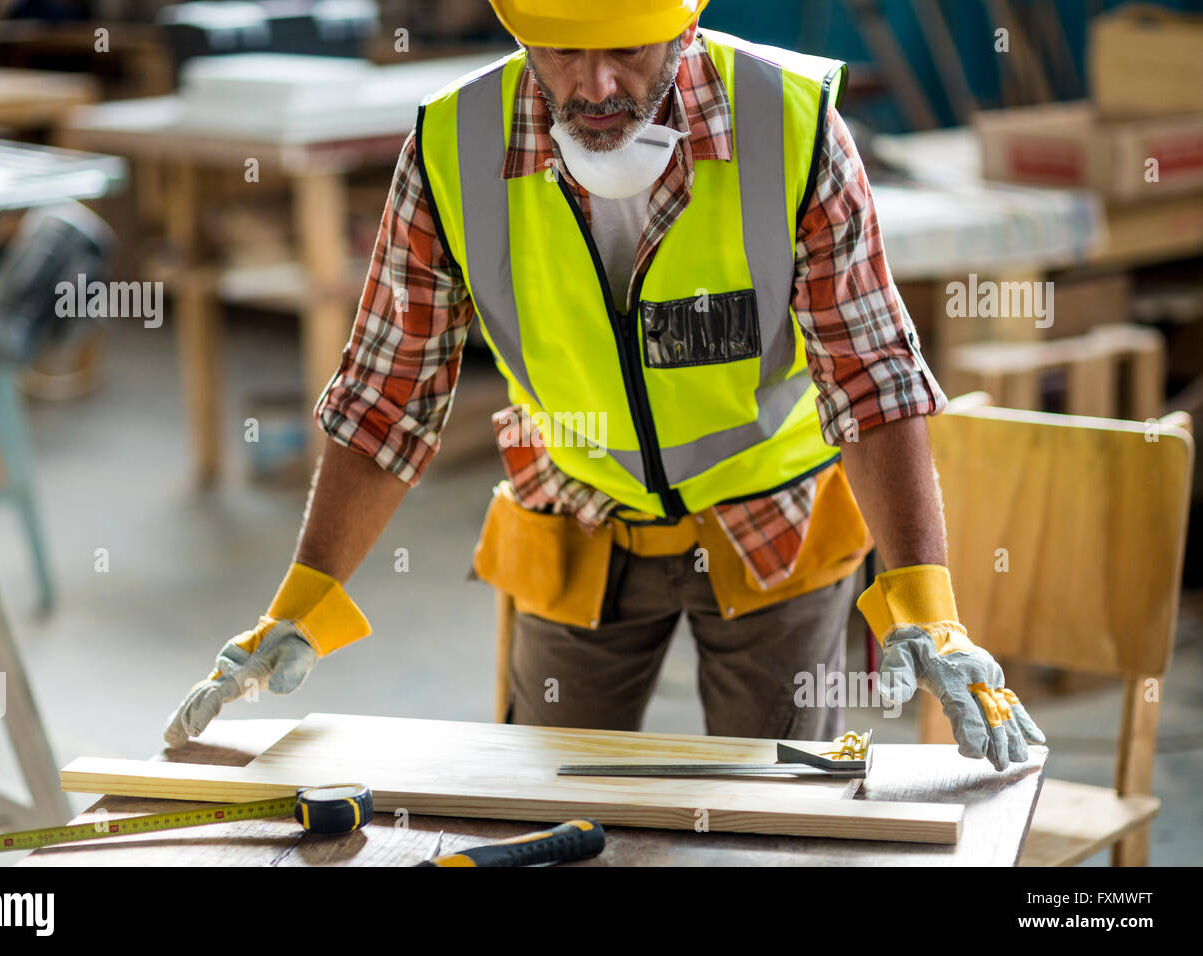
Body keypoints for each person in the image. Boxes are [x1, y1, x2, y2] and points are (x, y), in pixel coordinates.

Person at [165, 0, 1044, 771]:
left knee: (776, 823)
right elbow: (388, 399)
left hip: (775, 527)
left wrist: (927, 605)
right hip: (578, 520)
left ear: (685, 23)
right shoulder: (450, 150)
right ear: (514, 28)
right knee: (549, 814)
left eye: (628, 50)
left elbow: (872, 377)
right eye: (560, 52)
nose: (596, 88)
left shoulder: (791, 126)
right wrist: (303, 600)